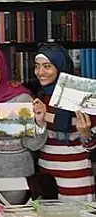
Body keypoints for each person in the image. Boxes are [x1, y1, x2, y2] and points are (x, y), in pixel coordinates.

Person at [0, 46, 47, 203]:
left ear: (1, 67)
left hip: (18, 175)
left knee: (18, 216)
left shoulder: (22, 98)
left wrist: (40, 123)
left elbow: (34, 145)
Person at [33, 43, 96, 201]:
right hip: (47, 176)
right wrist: (39, 123)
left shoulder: (83, 98)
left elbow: (92, 147)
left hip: (76, 177)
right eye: (37, 66)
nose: (40, 72)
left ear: (60, 67)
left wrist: (86, 134)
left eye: (47, 66)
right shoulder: (39, 98)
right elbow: (35, 142)